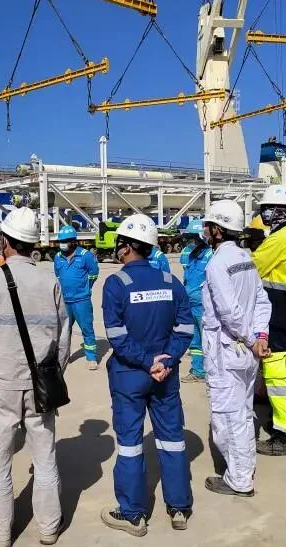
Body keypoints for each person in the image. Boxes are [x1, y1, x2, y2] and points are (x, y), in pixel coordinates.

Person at [0, 207, 71, 547]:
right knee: (45, 457)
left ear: (5, 241)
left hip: (0, 383)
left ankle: (0, 531)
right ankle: (49, 527)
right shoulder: (50, 281)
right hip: (40, 385)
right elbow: (63, 337)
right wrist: (53, 375)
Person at [101, 214, 195, 537]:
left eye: (119, 244)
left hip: (131, 376)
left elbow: (116, 335)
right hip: (165, 376)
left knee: (130, 445)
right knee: (172, 440)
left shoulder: (116, 284)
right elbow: (185, 328)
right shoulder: (171, 282)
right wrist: (165, 360)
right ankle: (179, 508)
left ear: (127, 247)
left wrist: (146, 362)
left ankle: (133, 515)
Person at [200, 200, 272, 497]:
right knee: (242, 413)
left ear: (218, 230)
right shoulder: (245, 258)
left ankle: (239, 479)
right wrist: (260, 335)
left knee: (227, 417)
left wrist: (251, 339)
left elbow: (229, 311)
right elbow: (262, 301)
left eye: (208, 226)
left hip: (227, 350)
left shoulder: (218, 263)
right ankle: (244, 468)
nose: (205, 230)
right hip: (247, 352)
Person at [252, 185, 286, 456]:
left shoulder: (280, 238)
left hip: (280, 310)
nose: (262, 214)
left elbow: (252, 267)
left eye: (265, 209)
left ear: (278, 211)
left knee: (278, 373)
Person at [54, 225, 100, 370]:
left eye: (65, 241)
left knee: (87, 329)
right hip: (65, 301)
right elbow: (58, 275)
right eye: (61, 241)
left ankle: (91, 358)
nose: (62, 244)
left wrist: (86, 288)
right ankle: (64, 356)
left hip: (82, 301)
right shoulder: (57, 257)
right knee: (64, 331)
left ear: (73, 241)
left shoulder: (85, 256)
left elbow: (94, 273)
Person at [179, 219, 212, 383]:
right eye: (189, 238)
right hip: (190, 304)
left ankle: (212, 372)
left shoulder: (211, 254)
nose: (190, 242)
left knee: (209, 340)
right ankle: (198, 371)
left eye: (193, 239)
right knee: (195, 341)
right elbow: (186, 277)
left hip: (205, 306)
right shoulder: (187, 254)